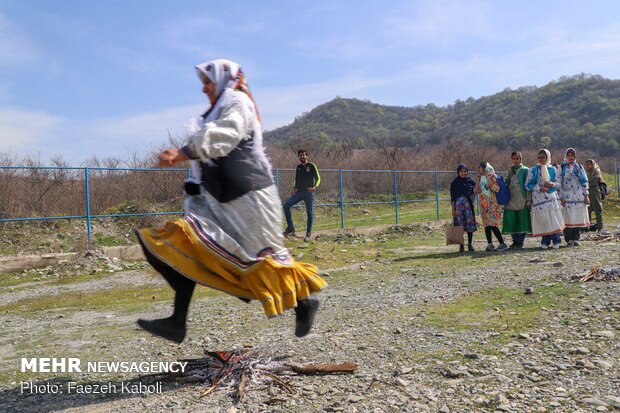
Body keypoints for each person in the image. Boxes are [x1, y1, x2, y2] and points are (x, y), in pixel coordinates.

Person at [134, 59, 326, 343]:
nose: (204, 90)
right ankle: (177, 321)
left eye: (208, 83)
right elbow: (208, 160)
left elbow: (227, 134)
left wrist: (184, 152)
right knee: (180, 241)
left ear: (223, 80)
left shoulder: (238, 102)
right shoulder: (211, 114)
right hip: (218, 202)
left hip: (251, 201)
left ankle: (304, 302)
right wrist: (194, 192)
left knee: (263, 262)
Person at [526, 149, 564, 249]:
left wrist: (552, 184)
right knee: (544, 220)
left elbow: (559, 183)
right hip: (539, 199)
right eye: (539, 157)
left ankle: (556, 240)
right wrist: (539, 188)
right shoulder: (533, 170)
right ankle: (545, 241)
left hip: (551, 199)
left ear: (547, 158)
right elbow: (527, 184)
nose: (541, 159)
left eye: (543, 157)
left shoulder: (553, 169)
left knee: (552, 219)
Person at [283, 150, 321, 242]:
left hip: (308, 193)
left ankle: (308, 232)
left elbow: (318, 178)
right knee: (286, 206)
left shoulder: (312, 166)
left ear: (307, 156)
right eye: (300, 155)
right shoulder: (298, 167)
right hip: (299, 192)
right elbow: (296, 179)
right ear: (299, 157)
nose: (302, 157)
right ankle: (290, 227)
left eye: (304, 155)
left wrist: (315, 187)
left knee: (310, 213)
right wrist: (294, 188)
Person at [475, 162, 508, 252]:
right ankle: (490, 244)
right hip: (484, 205)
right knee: (486, 225)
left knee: (493, 224)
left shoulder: (492, 176)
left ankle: (502, 243)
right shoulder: (481, 178)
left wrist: (489, 182)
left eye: (480, 167)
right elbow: (477, 191)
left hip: (493, 205)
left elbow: (497, 189)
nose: (478, 169)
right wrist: (478, 180)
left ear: (485, 168)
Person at [560, 148, 590, 246]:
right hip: (567, 196)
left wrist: (586, 195)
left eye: (572, 155)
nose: (570, 157)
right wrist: (561, 197)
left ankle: (576, 238)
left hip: (578, 196)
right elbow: (559, 182)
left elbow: (584, 181)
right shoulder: (562, 168)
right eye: (568, 155)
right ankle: (568, 239)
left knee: (577, 217)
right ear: (566, 156)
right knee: (567, 218)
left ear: (575, 157)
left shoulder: (579, 167)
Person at [502, 151, 532, 249]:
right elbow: (506, 183)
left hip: (522, 198)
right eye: (514, 158)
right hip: (511, 198)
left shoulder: (525, 170)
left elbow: (527, 186)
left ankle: (520, 242)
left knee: (521, 220)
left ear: (520, 159)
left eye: (517, 158)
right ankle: (514, 241)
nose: (515, 160)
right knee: (512, 219)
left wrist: (528, 200)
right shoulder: (510, 170)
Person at [450, 164, 477, 252]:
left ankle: (470, 244)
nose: (463, 173)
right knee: (459, 225)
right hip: (458, 209)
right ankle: (461, 245)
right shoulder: (454, 183)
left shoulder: (470, 182)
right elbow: (453, 198)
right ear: (458, 172)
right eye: (461, 171)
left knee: (469, 225)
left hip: (468, 208)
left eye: (465, 171)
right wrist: (453, 209)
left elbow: (475, 191)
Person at [585, 159, 604, 231]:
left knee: (598, 209)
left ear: (592, 164)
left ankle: (600, 227)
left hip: (595, 192)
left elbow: (595, 181)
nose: (587, 166)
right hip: (588, 192)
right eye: (586, 165)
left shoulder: (596, 171)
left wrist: (586, 184)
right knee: (588, 210)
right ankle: (587, 227)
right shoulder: (586, 172)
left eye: (588, 165)